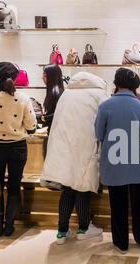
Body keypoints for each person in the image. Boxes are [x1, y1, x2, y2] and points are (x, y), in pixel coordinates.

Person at [41, 72, 107, 244]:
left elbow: (56, 123)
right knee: (82, 187)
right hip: (86, 144)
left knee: (68, 189)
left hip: (64, 145)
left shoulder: (67, 94)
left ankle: (62, 232)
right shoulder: (100, 94)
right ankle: (84, 228)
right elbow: (104, 122)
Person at [95, 68, 140, 254]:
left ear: (116, 83)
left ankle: (121, 242)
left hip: (114, 164)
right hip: (139, 161)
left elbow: (98, 134)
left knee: (118, 203)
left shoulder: (105, 106)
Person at [0, 62, 37, 237]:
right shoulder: (23, 98)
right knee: (14, 186)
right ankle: (10, 226)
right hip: (17, 146)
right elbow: (31, 125)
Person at [40, 64, 64, 133]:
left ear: (52, 77)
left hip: (56, 132)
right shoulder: (54, 92)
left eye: (45, 75)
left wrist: (43, 118)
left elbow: (58, 113)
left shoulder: (58, 93)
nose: (42, 77)